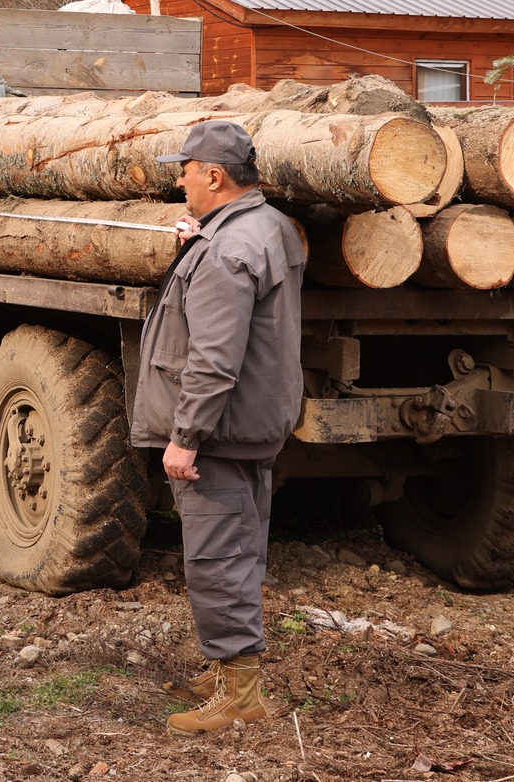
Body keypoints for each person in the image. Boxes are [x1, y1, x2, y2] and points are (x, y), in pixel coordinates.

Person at [130, 120, 305, 735]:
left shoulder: (227, 250)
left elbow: (213, 356)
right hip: (254, 423)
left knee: (216, 559)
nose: (178, 179)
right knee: (242, 549)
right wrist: (198, 243)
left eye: (186, 169)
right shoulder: (265, 227)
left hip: (220, 432)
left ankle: (241, 694)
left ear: (214, 175)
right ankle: (230, 669)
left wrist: (185, 436)